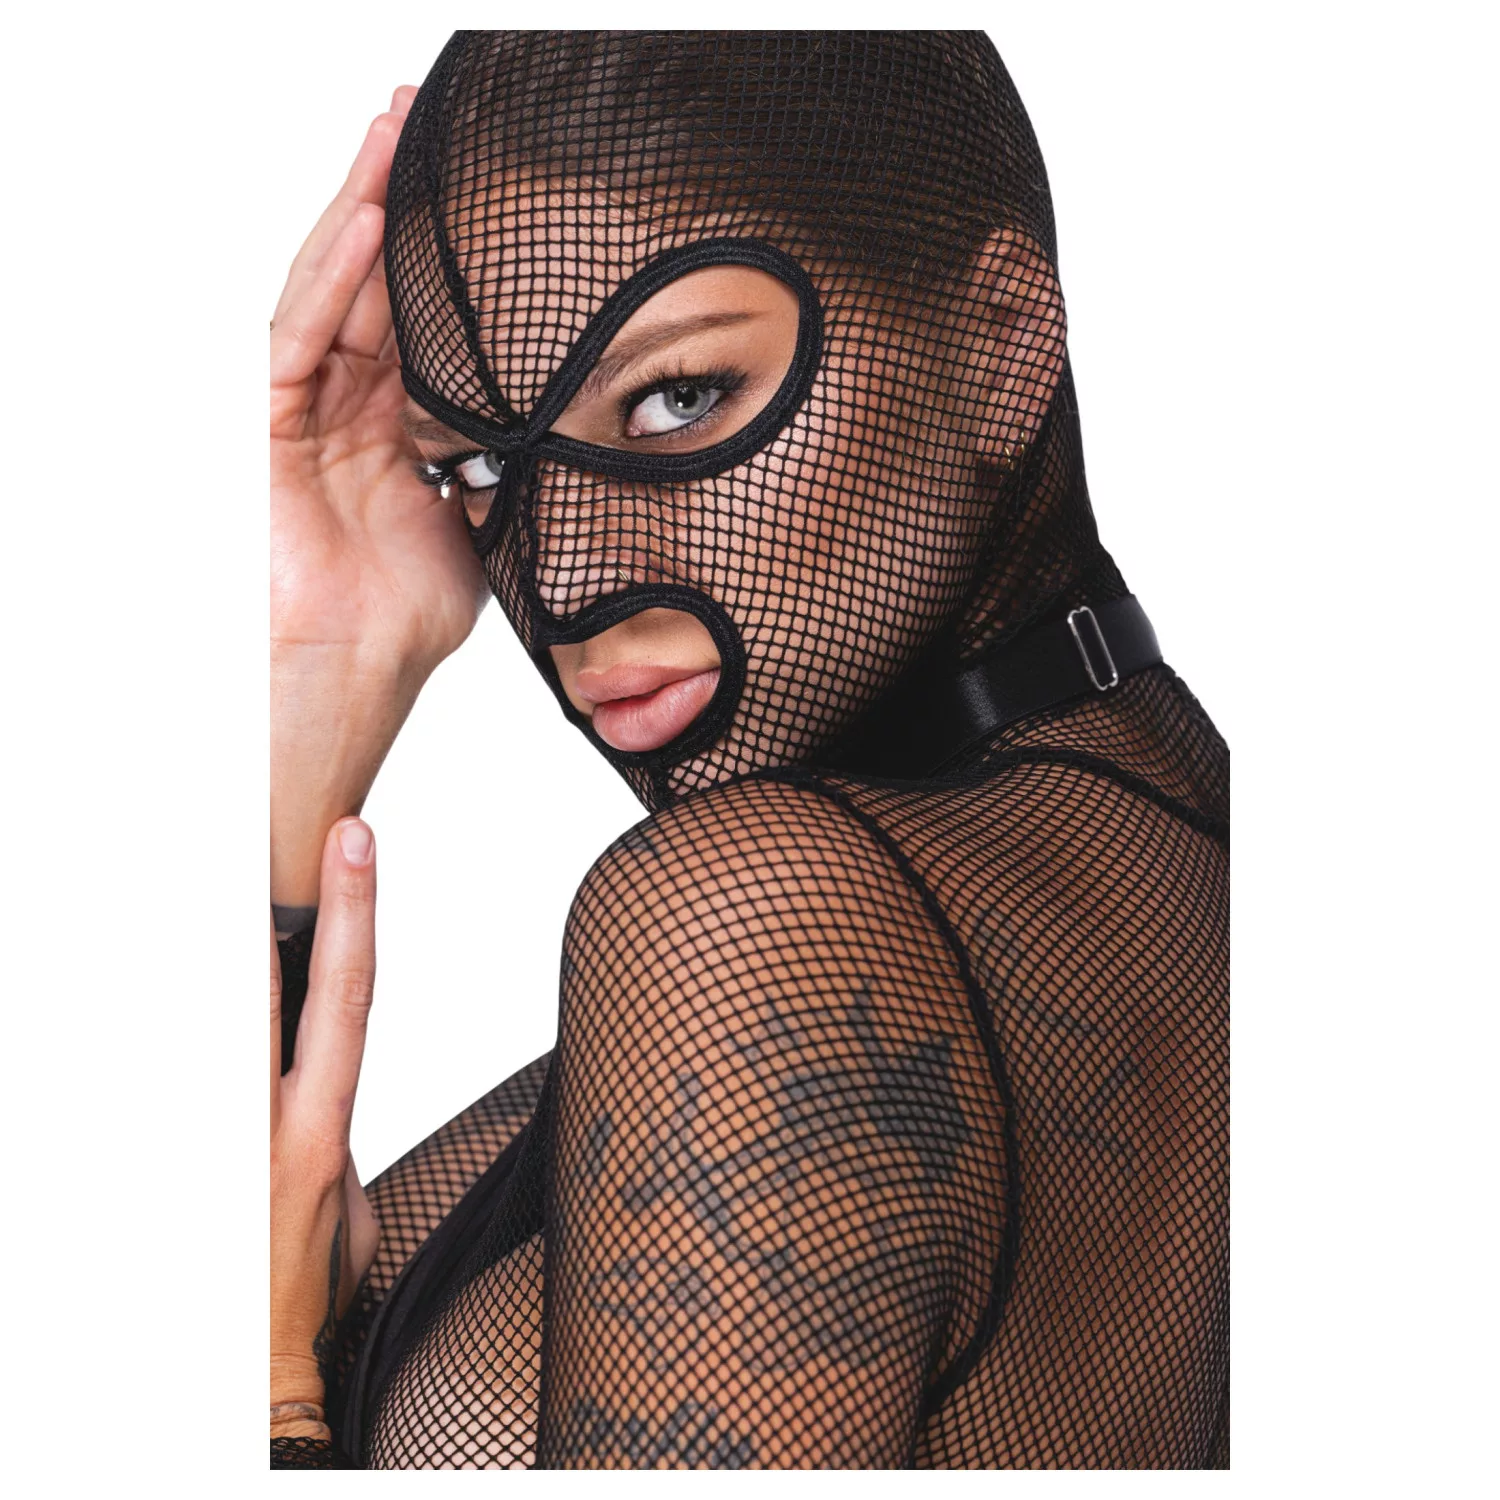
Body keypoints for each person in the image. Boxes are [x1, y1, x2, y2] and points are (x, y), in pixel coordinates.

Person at [270, 31, 1229, 1469]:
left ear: (1000, 343)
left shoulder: (757, 924)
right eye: (480, 466)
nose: (566, 574)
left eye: (677, 398)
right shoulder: (1176, 839)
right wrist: (319, 668)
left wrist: (276, 1393)